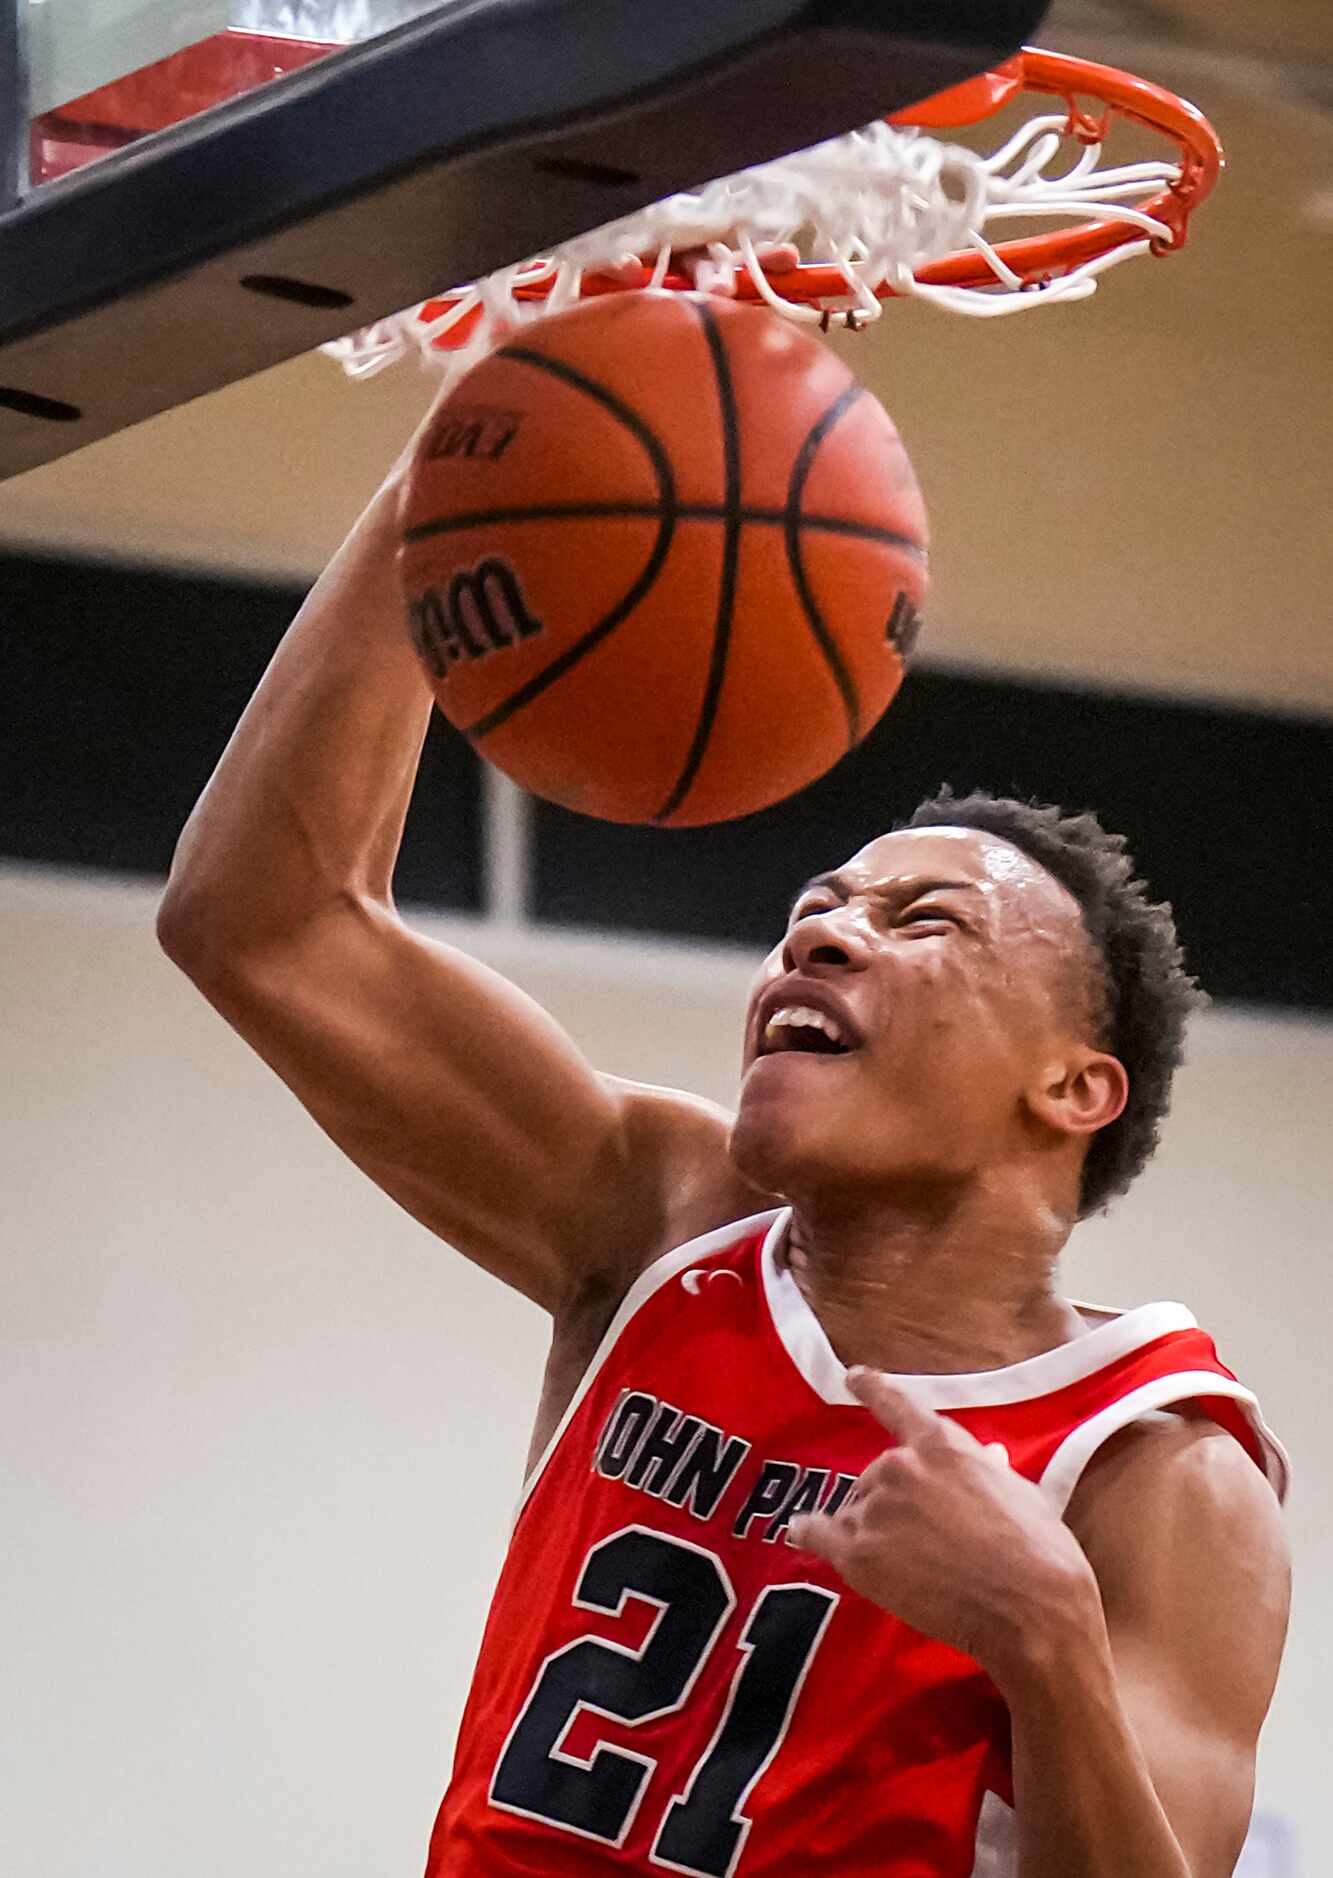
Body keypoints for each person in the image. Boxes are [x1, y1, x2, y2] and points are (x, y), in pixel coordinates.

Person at [158, 398, 1290, 1878]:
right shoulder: (664, 1217)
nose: (821, 934)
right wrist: (462, 461)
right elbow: (263, 919)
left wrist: (1044, 1642)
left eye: (916, 920)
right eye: (811, 909)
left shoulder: (1150, 1467)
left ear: (1075, 1087)